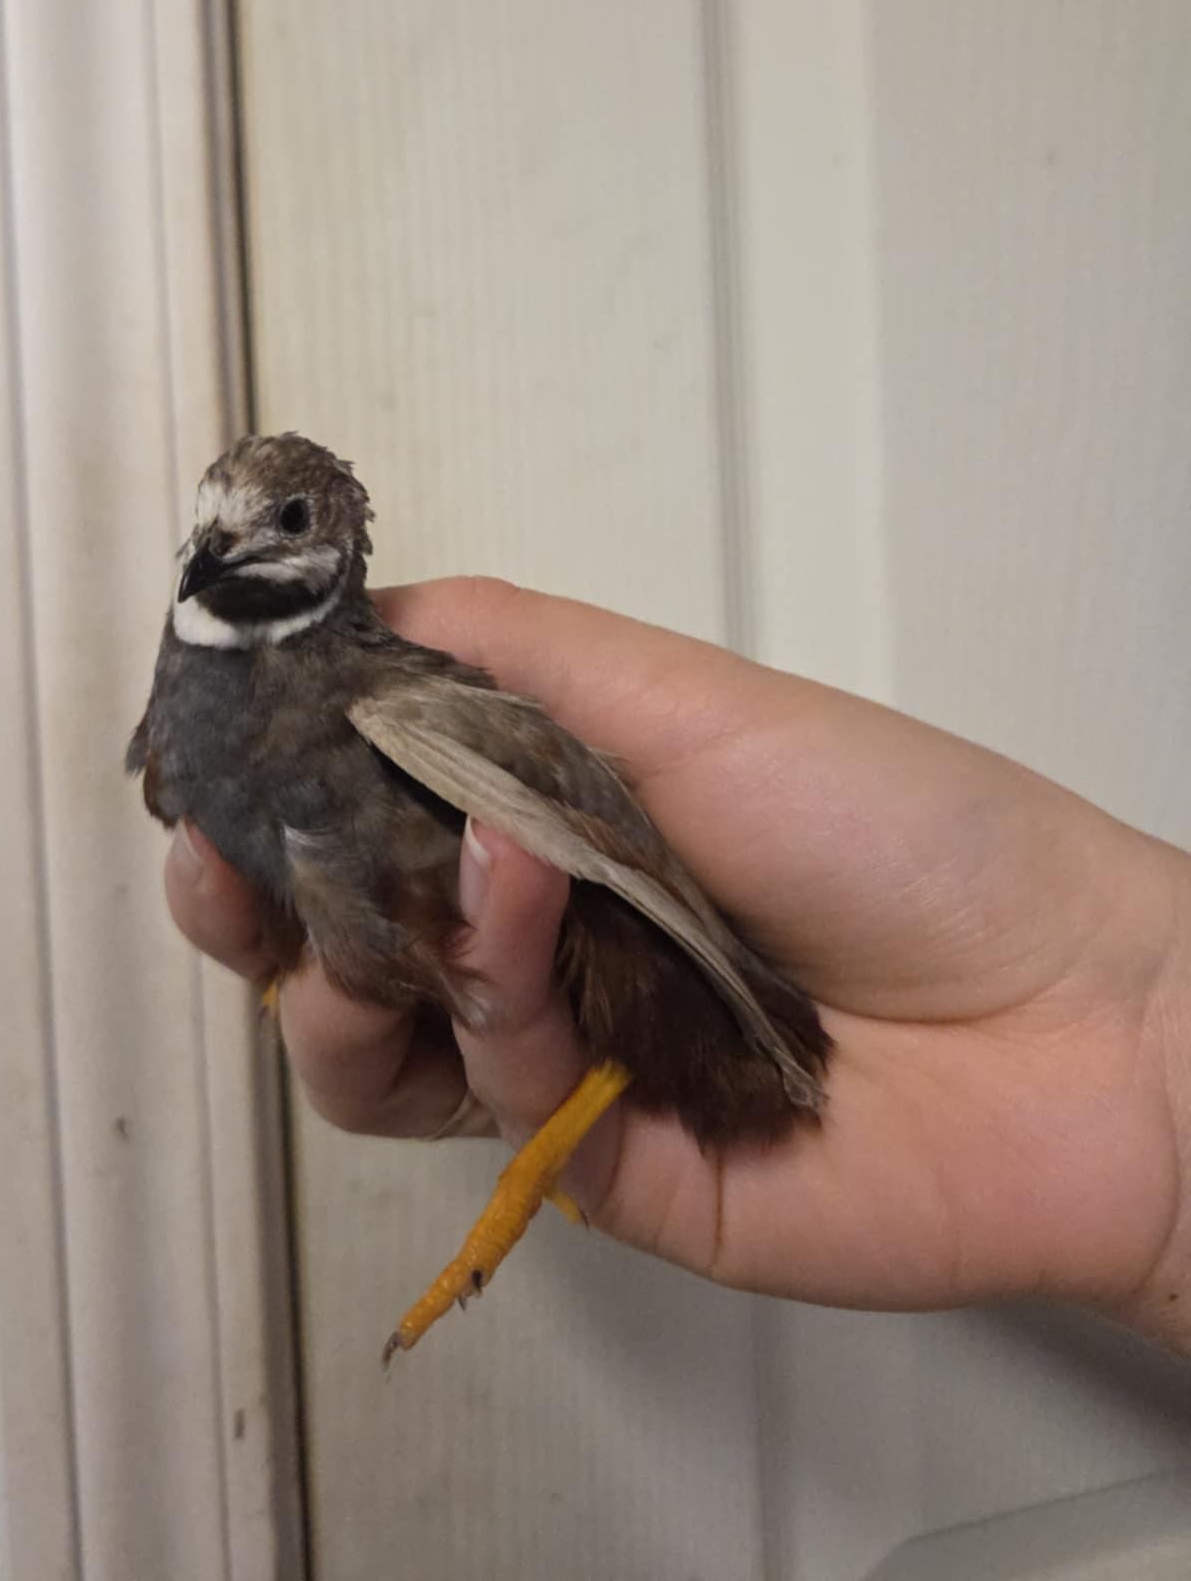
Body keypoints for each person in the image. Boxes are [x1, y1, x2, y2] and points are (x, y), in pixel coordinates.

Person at [163, 577, 1191, 1357]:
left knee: (552, 959)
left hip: (703, 1011)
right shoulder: (201, 735)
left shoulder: (405, 698)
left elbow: (629, 892)